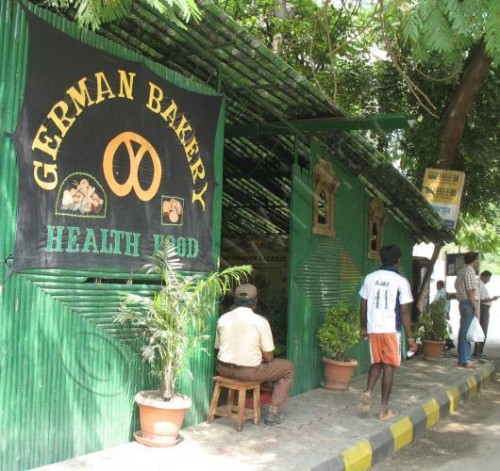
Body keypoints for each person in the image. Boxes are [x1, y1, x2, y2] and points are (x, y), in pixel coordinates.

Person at [214, 283, 295, 426]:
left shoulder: (223, 318)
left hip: (223, 369)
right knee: (288, 368)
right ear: (255, 302)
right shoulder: (260, 322)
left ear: (235, 301)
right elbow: (269, 356)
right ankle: (273, 412)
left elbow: (217, 347)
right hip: (248, 372)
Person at [358, 244, 417, 421]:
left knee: (377, 363)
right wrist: (411, 337)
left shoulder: (370, 278)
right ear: (398, 261)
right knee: (388, 367)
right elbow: (405, 311)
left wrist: (363, 327)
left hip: (374, 328)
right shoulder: (401, 282)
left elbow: (363, 304)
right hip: (391, 330)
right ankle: (383, 410)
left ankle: (368, 391)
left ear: (381, 259)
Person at [454, 252, 479, 368]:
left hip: (462, 303)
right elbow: (471, 291)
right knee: (466, 332)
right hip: (468, 304)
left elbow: (456, 286)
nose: (477, 262)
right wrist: (476, 307)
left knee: (463, 330)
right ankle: (465, 360)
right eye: (477, 260)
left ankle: (463, 358)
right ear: (474, 261)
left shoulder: (461, 271)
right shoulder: (470, 271)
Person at [473, 270, 498, 360]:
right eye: (488, 278)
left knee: (482, 329)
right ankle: (478, 351)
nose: (488, 280)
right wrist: (491, 299)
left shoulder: (481, 285)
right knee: (482, 329)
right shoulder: (479, 284)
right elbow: (480, 299)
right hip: (483, 308)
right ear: (484, 276)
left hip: (484, 308)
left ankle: (479, 350)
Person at [433, 280, 455, 350]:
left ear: (439, 285)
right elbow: (448, 304)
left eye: (437, 285)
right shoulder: (446, 292)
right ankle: (449, 342)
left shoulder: (441, 292)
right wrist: (448, 313)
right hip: (445, 312)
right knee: (445, 327)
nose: (436, 287)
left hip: (440, 312)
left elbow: (436, 302)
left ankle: (448, 342)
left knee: (441, 328)